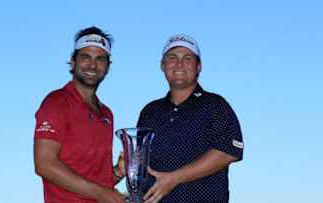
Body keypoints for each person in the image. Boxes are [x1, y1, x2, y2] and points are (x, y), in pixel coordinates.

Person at [137, 34, 244, 203]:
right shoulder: (150, 112)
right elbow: (142, 161)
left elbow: (228, 152)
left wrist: (174, 178)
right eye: (172, 58)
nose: (179, 64)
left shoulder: (215, 105)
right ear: (162, 66)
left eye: (187, 58)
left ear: (198, 66)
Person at [34, 26, 126, 203]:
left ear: (107, 67)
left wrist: (118, 172)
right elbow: (44, 164)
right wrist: (102, 193)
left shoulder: (106, 114)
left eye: (100, 59)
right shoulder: (57, 102)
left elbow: (97, 185)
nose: (92, 64)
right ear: (73, 62)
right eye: (85, 57)